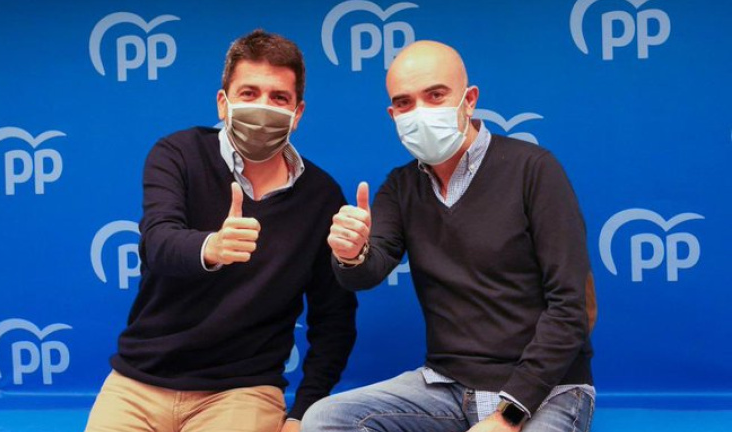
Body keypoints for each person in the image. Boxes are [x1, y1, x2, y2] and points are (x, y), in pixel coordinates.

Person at [301, 40, 595, 432]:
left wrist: (509, 415)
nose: (420, 111)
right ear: (393, 114)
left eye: (435, 95)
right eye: (404, 103)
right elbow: (366, 272)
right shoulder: (401, 186)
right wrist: (350, 253)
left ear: (469, 100)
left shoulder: (535, 170)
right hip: (449, 388)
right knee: (326, 419)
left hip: (547, 391)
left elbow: (572, 308)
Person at [85, 29, 358, 432]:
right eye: (249, 93)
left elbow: (334, 319)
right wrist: (211, 246)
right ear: (223, 102)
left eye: (278, 98)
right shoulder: (177, 154)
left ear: (297, 112)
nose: (262, 108)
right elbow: (157, 242)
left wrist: (301, 412)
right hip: (140, 382)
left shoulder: (321, 196)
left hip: (241, 391)